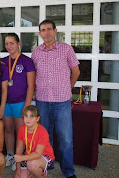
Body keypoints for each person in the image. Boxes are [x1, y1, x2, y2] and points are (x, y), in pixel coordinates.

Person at [31, 19, 80, 178]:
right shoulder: (36, 52)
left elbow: (76, 72)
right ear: (40, 34)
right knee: (45, 136)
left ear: (55, 31)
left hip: (62, 101)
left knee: (65, 139)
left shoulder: (66, 49)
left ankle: (68, 171)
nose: (47, 33)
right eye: (43, 30)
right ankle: (48, 163)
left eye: (49, 29)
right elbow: (34, 75)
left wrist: (68, 88)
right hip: (42, 100)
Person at [1, 33, 35, 171]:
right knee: (8, 129)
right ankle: (10, 155)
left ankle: (19, 157)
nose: (9, 46)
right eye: (7, 43)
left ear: (18, 44)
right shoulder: (3, 61)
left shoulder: (26, 61)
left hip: (20, 102)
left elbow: (31, 85)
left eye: (12, 43)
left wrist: (27, 105)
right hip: (6, 102)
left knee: (21, 132)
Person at [13, 105, 55, 178]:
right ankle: (33, 171)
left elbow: (38, 154)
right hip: (30, 155)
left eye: (31, 116)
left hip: (44, 155)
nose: (28, 119)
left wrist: (22, 158)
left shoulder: (42, 131)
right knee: (18, 176)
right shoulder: (22, 129)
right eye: (26, 116)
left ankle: (41, 172)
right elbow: (19, 149)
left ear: (37, 119)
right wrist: (17, 168)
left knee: (31, 165)